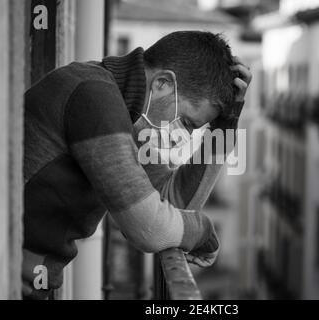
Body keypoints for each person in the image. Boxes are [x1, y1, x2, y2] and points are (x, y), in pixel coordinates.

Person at [22, 31, 252, 299]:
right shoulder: (93, 96)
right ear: (163, 83)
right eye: (188, 123)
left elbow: (175, 204)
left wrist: (224, 126)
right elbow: (150, 228)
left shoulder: (124, 117)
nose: (185, 136)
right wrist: (202, 231)